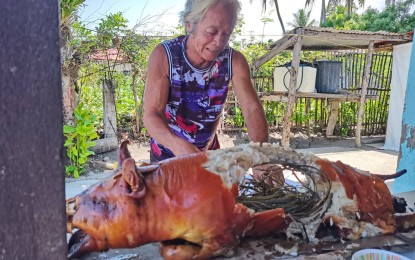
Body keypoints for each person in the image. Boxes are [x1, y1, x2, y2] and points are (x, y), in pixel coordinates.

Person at [143, 0, 268, 162]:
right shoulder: (165, 55)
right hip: (166, 154)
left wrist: (261, 156)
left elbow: (251, 109)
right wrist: (182, 148)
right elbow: (152, 115)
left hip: (208, 153)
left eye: (227, 33)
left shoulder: (234, 61)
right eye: (211, 31)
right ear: (189, 24)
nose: (219, 42)